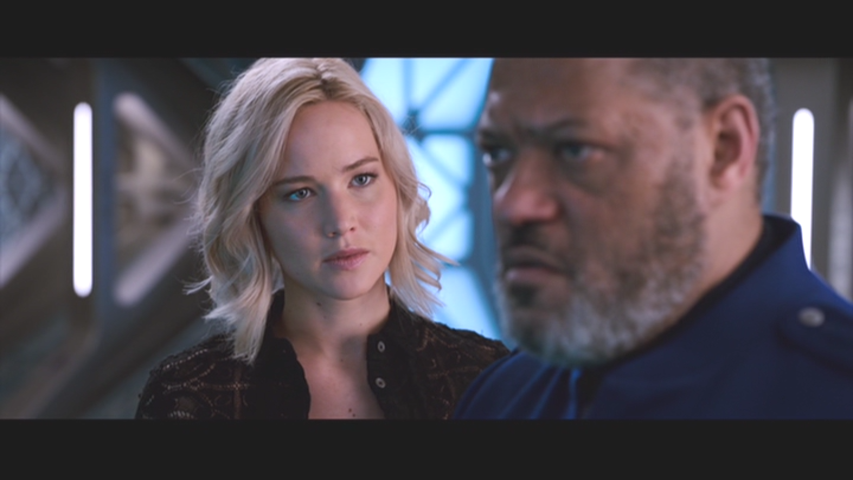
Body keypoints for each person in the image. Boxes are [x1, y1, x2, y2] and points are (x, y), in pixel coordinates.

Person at [454, 58, 853, 419]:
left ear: (723, 148)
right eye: (497, 153)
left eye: (574, 150)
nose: (513, 205)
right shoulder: (503, 397)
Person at [135, 58, 508, 419]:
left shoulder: (487, 379)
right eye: (300, 193)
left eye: (361, 179)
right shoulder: (190, 397)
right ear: (253, 215)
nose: (341, 222)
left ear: (398, 187)